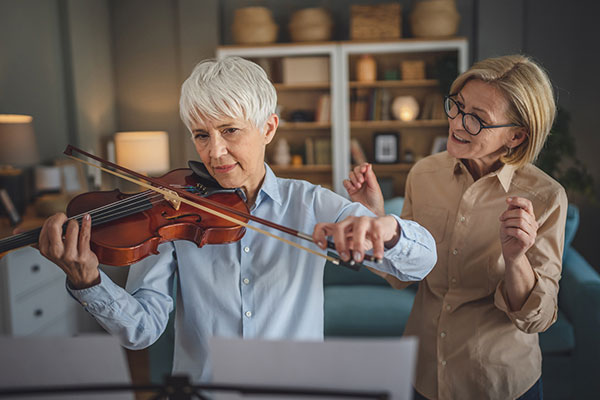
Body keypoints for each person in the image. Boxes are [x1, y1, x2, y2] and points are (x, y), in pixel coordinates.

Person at [37, 56, 437, 382]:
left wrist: (386, 226)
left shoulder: (312, 203)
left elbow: (422, 263)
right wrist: (87, 281)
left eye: (230, 130)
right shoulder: (171, 211)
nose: (216, 153)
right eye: (201, 135)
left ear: (268, 127)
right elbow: (141, 331)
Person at [345, 55, 567, 400]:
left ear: (516, 136)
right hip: (422, 373)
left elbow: (536, 319)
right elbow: (404, 276)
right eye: (458, 106)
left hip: (497, 381)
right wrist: (375, 217)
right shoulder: (424, 174)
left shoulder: (546, 197)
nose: (458, 123)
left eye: (477, 119)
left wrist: (516, 258)